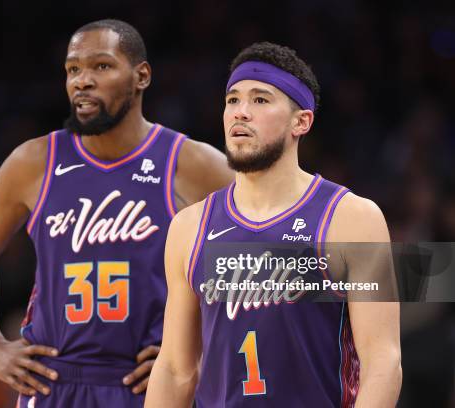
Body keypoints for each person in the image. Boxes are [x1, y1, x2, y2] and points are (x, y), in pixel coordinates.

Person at [0, 19, 233, 408]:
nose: (82, 80)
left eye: (101, 66)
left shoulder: (191, 163)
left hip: (150, 386)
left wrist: (204, 349)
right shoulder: (33, 163)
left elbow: (266, 264)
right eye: (73, 69)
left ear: (141, 76)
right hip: (53, 382)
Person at [146, 42, 402, 407]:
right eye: (232, 100)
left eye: (261, 100)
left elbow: (383, 362)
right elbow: (175, 369)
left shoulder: (352, 219)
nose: (241, 113)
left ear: (301, 121)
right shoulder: (189, 227)